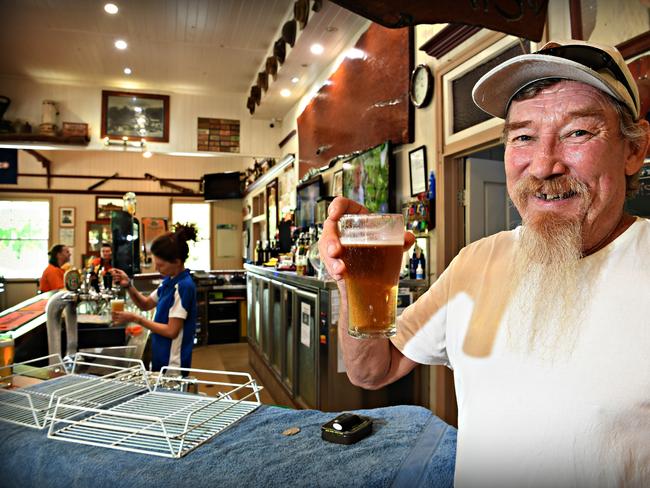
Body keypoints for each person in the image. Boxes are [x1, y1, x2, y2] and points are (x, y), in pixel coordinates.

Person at [319, 39, 650, 488]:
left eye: (577, 133)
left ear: (634, 149)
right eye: (523, 137)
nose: (543, 165)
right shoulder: (476, 260)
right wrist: (353, 280)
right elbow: (372, 369)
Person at [111, 225, 198, 372]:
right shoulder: (169, 281)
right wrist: (129, 286)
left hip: (173, 364)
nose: (157, 269)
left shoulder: (183, 287)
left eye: (161, 265)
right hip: (162, 356)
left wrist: (136, 318)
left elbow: (172, 331)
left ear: (177, 262)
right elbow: (145, 304)